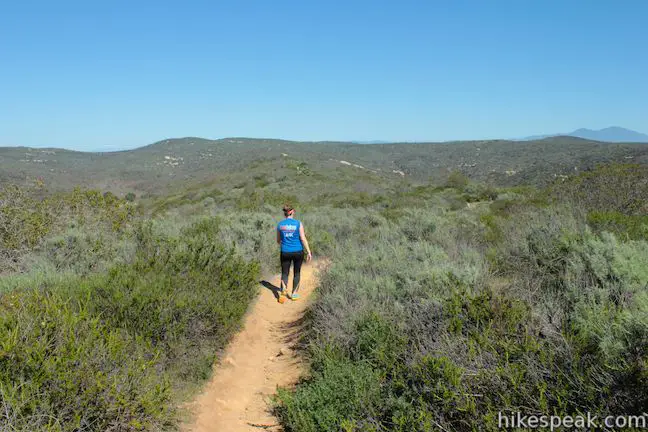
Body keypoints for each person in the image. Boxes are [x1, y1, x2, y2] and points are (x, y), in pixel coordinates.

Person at [276, 204, 312, 303]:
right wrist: (309, 251)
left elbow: (278, 241)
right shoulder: (298, 223)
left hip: (285, 252)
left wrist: (285, 241)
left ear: (285, 213)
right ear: (292, 212)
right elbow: (303, 238)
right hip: (298, 252)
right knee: (297, 272)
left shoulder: (280, 224)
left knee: (285, 273)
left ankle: (283, 292)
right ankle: (294, 294)